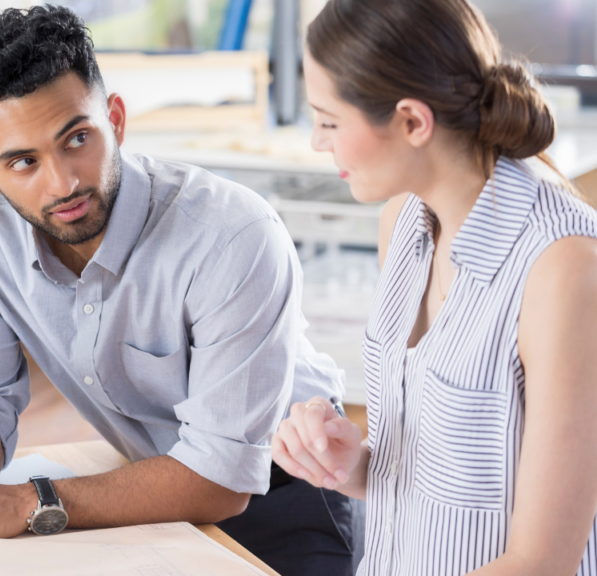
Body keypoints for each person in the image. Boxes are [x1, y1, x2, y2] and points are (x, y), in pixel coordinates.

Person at [0, 5, 355, 574]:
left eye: (77, 138)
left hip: (289, 489)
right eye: (23, 162)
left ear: (116, 120)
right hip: (148, 490)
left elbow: (222, 481)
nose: (64, 183)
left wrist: (33, 502)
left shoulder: (232, 235)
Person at [271, 0, 597, 574]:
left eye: (328, 121)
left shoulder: (563, 269)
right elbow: (442, 489)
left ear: (412, 122)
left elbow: (542, 562)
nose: (318, 143)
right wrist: (352, 463)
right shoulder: (402, 223)